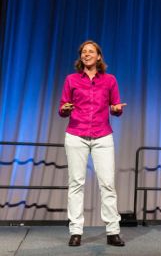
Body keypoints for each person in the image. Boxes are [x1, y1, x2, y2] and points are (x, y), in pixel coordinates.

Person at [59, 40, 127, 247]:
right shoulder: (71, 80)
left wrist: (116, 110)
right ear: (81, 57)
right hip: (76, 134)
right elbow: (62, 108)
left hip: (102, 135)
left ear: (99, 57)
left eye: (91, 51)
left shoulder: (109, 80)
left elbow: (117, 106)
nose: (87, 54)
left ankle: (113, 231)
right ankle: (76, 231)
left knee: (107, 184)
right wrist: (66, 109)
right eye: (83, 52)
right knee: (76, 183)